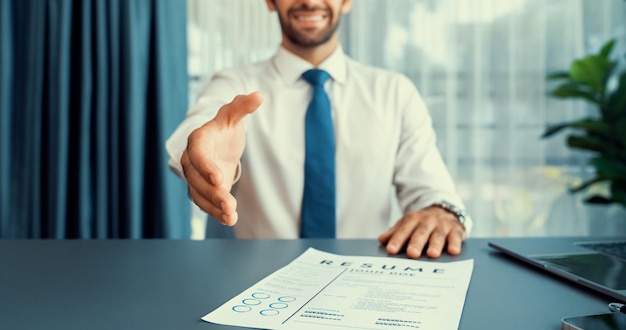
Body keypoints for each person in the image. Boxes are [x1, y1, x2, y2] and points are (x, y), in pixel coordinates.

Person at [166, 0, 472, 259]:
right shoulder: (235, 86)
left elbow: (432, 192)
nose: (310, 1)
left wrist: (440, 213)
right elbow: (201, 129)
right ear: (270, 1)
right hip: (254, 288)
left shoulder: (395, 93)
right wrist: (200, 154)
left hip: (365, 288)